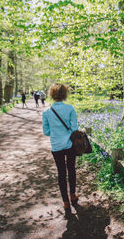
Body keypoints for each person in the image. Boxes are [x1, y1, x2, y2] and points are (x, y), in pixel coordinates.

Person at [42, 83, 79, 213]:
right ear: (65, 94)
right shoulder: (70, 109)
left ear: (51, 95)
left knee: (61, 173)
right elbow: (74, 129)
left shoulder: (47, 112)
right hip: (70, 145)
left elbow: (46, 132)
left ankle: (65, 202)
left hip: (56, 146)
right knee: (71, 169)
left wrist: (56, 132)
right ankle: (73, 195)